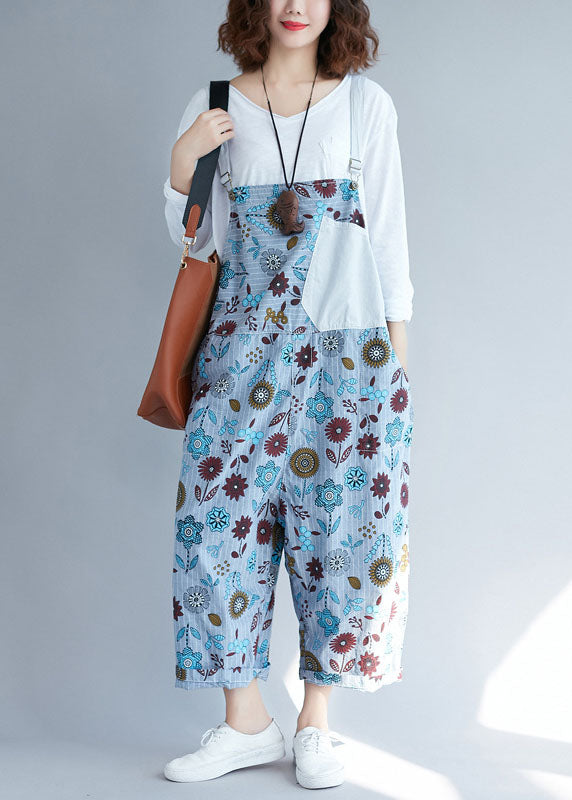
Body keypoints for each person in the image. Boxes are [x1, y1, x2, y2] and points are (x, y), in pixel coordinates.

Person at [162, 0, 414, 789]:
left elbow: (389, 242)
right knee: (214, 526)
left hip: (347, 359)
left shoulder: (366, 105)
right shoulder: (214, 104)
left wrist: (394, 380)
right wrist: (181, 166)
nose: (296, 5)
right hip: (239, 354)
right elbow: (197, 244)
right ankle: (246, 721)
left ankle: (315, 724)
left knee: (339, 531)